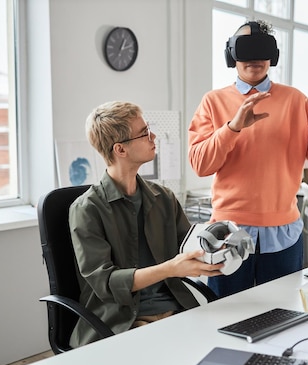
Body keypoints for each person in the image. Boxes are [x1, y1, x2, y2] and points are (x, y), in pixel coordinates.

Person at [188, 20, 308, 298]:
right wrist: (232, 128)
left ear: (273, 55)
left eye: (262, 49)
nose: (255, 58)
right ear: (231, 55)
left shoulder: (296, 101)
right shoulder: (213, 102)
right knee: (225, 314)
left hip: (284, 233)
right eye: (246, 49)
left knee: (282, 313)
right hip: (228, 232)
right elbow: (200, 165)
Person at [69, 101, 223, 348]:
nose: (153, 136)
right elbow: (106, 283)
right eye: (144, 133)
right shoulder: (86, 209)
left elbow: (189, 249)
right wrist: (170, 268)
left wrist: (219, 245)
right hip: (123, 322)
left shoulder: (164, 198)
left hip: (177, 312)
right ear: (120, 150)